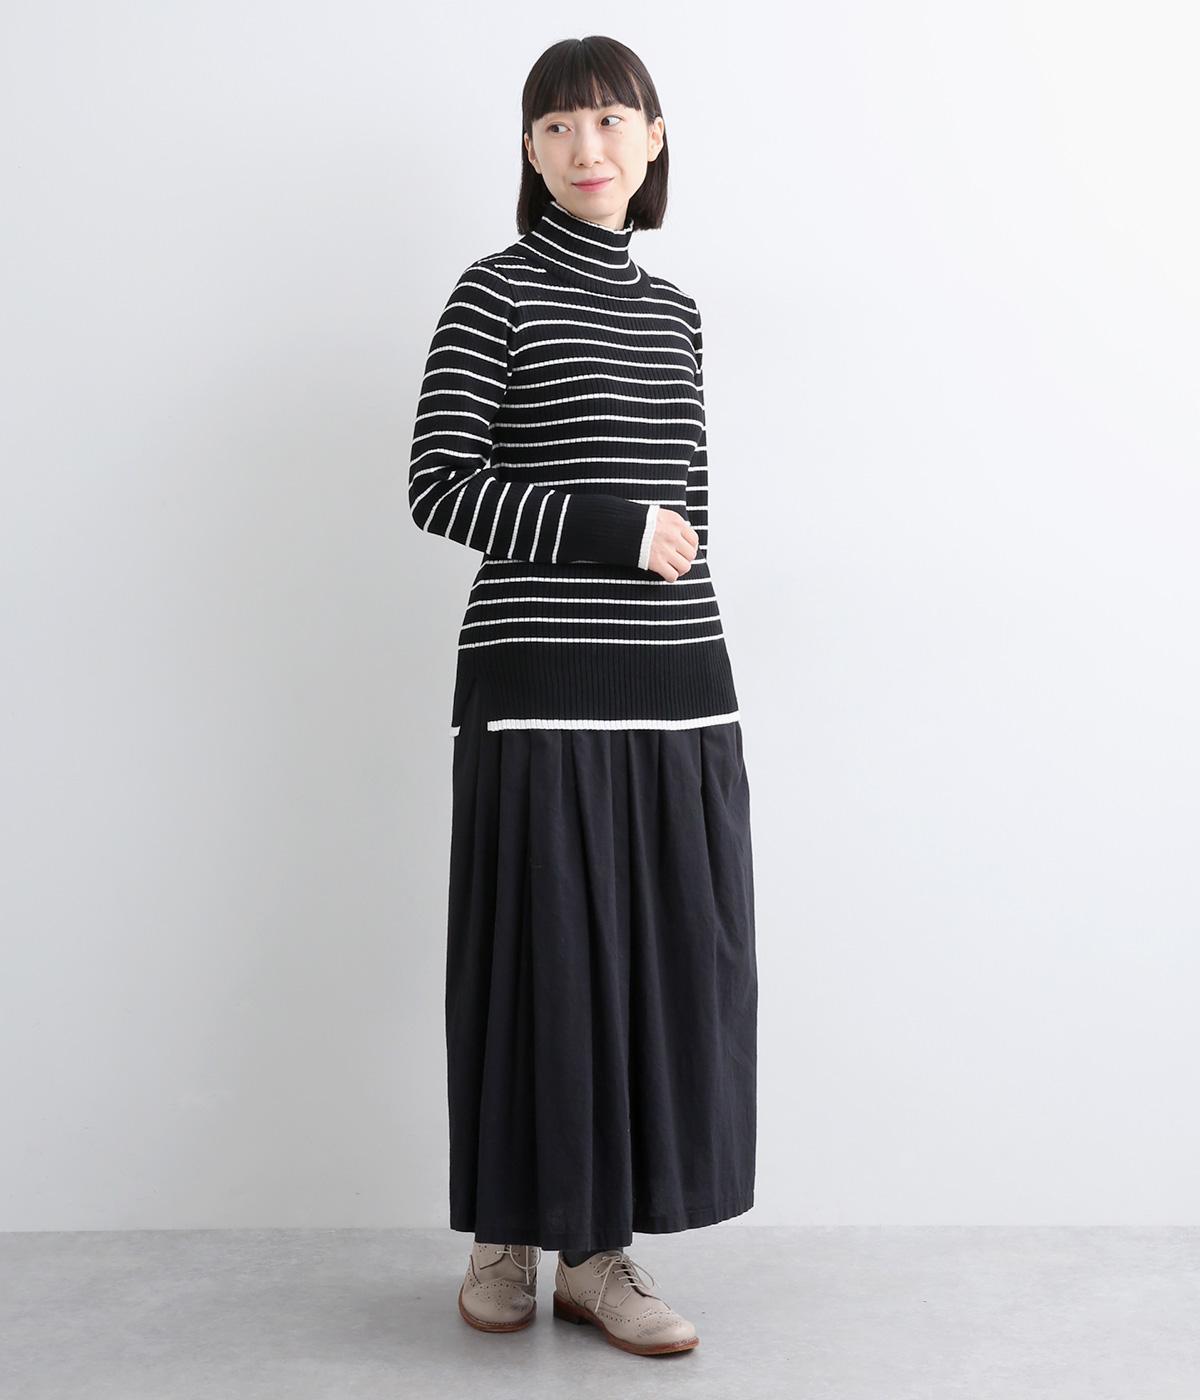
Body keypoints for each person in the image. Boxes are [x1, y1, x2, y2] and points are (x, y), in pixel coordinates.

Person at [408, 35, 758, 1359]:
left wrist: (701, 666)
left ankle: (600, 1258)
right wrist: (612, 531)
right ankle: (509, 1235)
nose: (586, 145)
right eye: (556, 125)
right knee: (536, 971)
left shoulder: (677, 315)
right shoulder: (492, 292)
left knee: (660, 980)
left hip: (672, 693)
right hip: (537, 689)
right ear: (530, 151)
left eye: (611, 119)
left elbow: (690, 520)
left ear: (654, 139)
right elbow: (439, 485)